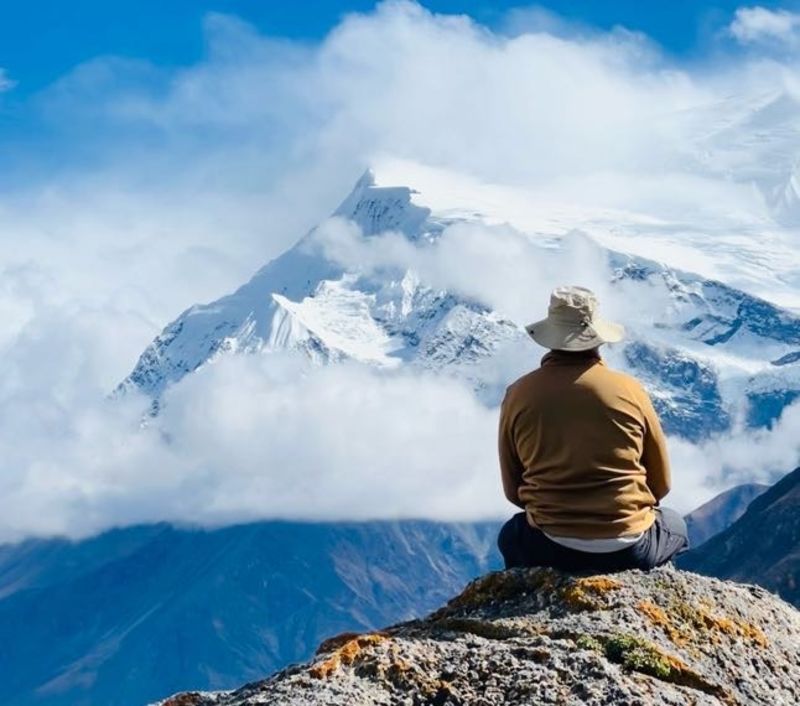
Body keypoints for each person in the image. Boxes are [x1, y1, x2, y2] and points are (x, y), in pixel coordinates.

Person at [497, 285, 688, 572]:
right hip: (631, 550)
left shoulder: (518, 394)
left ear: (551, 338)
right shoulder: (631, 390)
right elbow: (661, 484)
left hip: (548, 548)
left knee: (511, 534)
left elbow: (513, 491)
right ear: (598, 338)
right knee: (675, 524)